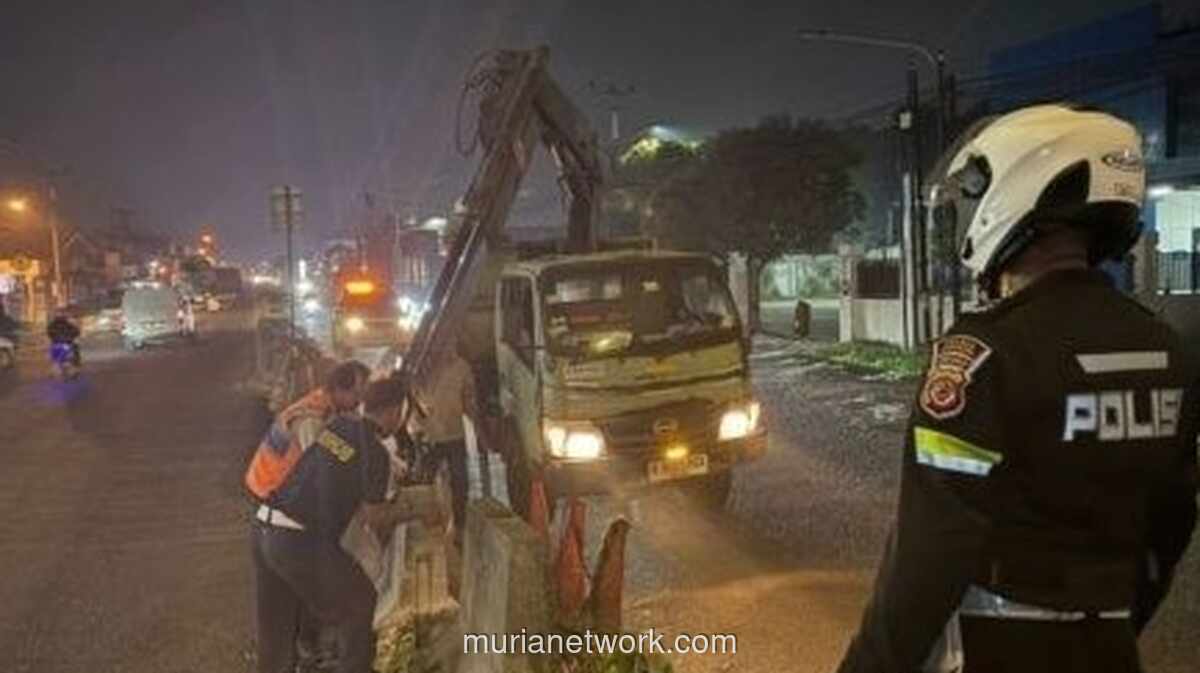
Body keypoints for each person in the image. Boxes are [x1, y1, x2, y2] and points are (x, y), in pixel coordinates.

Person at [836, 104, 1199, 673]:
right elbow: (1172, 522)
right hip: (1111, 647)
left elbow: (930, 554)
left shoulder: (982, 356)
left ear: (1010, 191)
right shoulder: (1165, 349)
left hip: (1000, 647)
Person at [253, 376, 405, 673]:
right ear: (394, 411)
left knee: (279, 628)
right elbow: (376, 518)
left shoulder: (337, 427)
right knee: (360, 600)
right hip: (297, 539)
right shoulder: (376, 453)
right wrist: (415, 512)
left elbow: (335, 477)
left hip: (264, 527)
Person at [417, 342, 474, 547]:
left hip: (454, 434)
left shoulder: (461, 367)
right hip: (428, 435)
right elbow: (413, 394)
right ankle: (426, 526)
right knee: (425, 480)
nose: (446, 347)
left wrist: (481, 431)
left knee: (460, 482)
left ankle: (459, 527)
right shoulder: (423, 366)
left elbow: (469, 400)